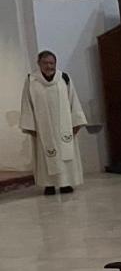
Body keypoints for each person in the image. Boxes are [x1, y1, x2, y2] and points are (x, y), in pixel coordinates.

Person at [19, 51, 88, 194]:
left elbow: (73, 100)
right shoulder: (32, 80)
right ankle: (48, 185)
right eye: (45, 63)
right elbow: (27, 103)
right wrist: (30, 126)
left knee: (65, 154)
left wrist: (77, 122)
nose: (49, 66)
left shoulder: (64, 78)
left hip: (64, 127)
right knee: (46, 156)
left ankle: (65, 183)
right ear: (39, 64)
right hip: (42, 128)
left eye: (52, 63)